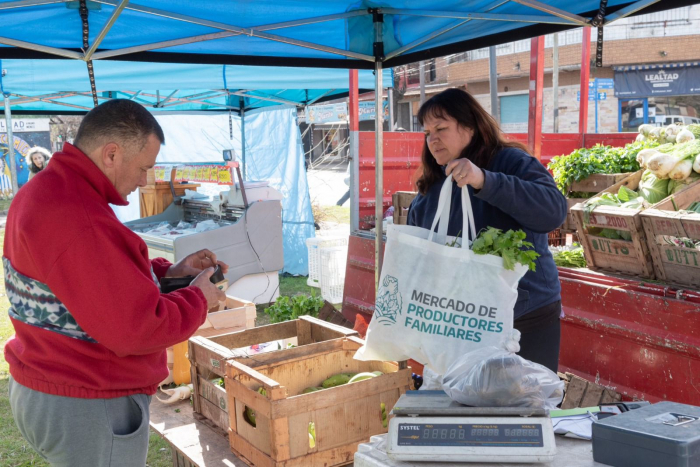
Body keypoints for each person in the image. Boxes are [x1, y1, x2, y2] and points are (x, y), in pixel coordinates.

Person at [4, 99, 228, 467]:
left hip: (52, 384)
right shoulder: (77, 214)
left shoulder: (49, 190)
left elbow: (88, 278)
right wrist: (197, 297)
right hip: (86, 400)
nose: (144, 180)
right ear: (111, 154)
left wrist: (167, 274)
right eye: (143, 168)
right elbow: (137, 328)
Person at [407, 88, 567, 373]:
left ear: (470, 126)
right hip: (463, 321)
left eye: (441, 128)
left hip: (525, 315)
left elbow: (552, 211)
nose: (432, 139)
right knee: (472, 409)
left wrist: (484, 180)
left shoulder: (511, 161)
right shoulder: (433, 185)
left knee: (526, 406)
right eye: (427, 132)